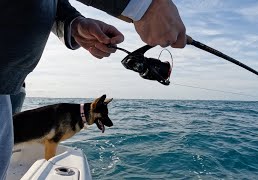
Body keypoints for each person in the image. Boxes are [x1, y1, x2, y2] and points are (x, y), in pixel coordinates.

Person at [1, 0, 186, 179]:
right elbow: (51, 141)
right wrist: (144, 6)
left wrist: (73, 23)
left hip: (12, 83)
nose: (106, 121)